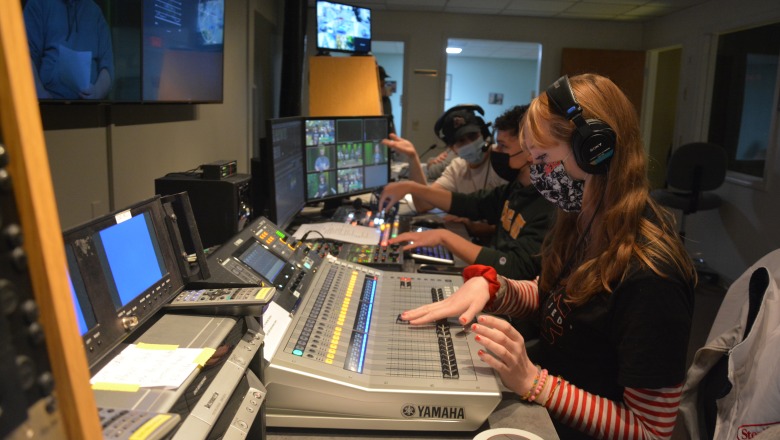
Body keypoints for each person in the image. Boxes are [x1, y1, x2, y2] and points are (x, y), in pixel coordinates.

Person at [400, 74, 697, 440]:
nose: (536, 173)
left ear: (595, 152)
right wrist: (494, 288)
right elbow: (557, 298)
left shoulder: (653, 276)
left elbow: (652, 431)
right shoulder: (581, 220)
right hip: (545, 411)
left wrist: (533, 381)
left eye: (542, 158)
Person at [378, 105, 554, 279]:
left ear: (530, 150)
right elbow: (471, 203)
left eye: (502, 146)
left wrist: (444, 237)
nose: (496, 151)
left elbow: (516, 267)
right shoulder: (516, 188)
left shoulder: (549, 204)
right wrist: (412, 187)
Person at [384, 105, 507, 214]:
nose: (469, 144)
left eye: (472, 136)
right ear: (452, 149)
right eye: (461, 141)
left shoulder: (503, 160)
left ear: (484, 133)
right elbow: (424, 204)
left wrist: (475, 227)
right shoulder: (457, 167)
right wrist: (412, 157)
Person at [23, 0, 114, 100]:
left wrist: (97, 92)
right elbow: (25, 56)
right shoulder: (38, 4)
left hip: (88, 107)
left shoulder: (95, 12)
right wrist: (41, 94)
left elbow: (107, 66)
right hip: (47, 104)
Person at [378, 66, 396, 134]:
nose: (383, 80)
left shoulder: (387, 101)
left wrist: (395, 138)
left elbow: (390, 120)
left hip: (385, 136)